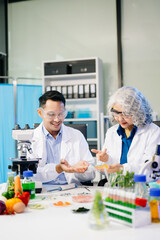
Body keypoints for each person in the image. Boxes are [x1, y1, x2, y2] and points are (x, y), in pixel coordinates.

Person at [29, 90, 95, 185]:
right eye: (51, 115)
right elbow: (30, 174)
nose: (57, 119)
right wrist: (58, 168)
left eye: (61, 114)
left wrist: (78, 170)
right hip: (43, 190)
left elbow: (91, 173)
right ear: (40, 113)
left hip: (72, 190)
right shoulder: (30, 139)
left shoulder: (76, 135)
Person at [92, 86, 160, 176]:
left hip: (143, 185)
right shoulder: (111, 132)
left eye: (126, 114)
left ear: (138, 112)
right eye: (116, 113)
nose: (120, 119)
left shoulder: (153, 132)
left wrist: (122, 169)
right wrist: (106, 159)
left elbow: (151, 167)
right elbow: (106, 169)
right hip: (117, 185)